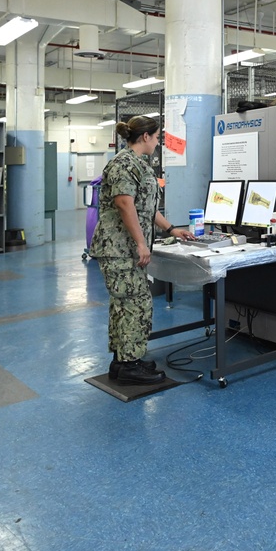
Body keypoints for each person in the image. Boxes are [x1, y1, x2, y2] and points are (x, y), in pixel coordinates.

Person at [89, 115, 195, 384]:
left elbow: (147, 208)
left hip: (128, 249)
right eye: (158, 137)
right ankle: (128, 365)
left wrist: (172, 229)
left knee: (127, 304)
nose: (158, 143)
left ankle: (124, 360)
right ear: (145, 137)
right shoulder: (123, 164)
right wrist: (139, 243)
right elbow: (125, 204)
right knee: (134, 304)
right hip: (119, 249)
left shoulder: (141, 166)